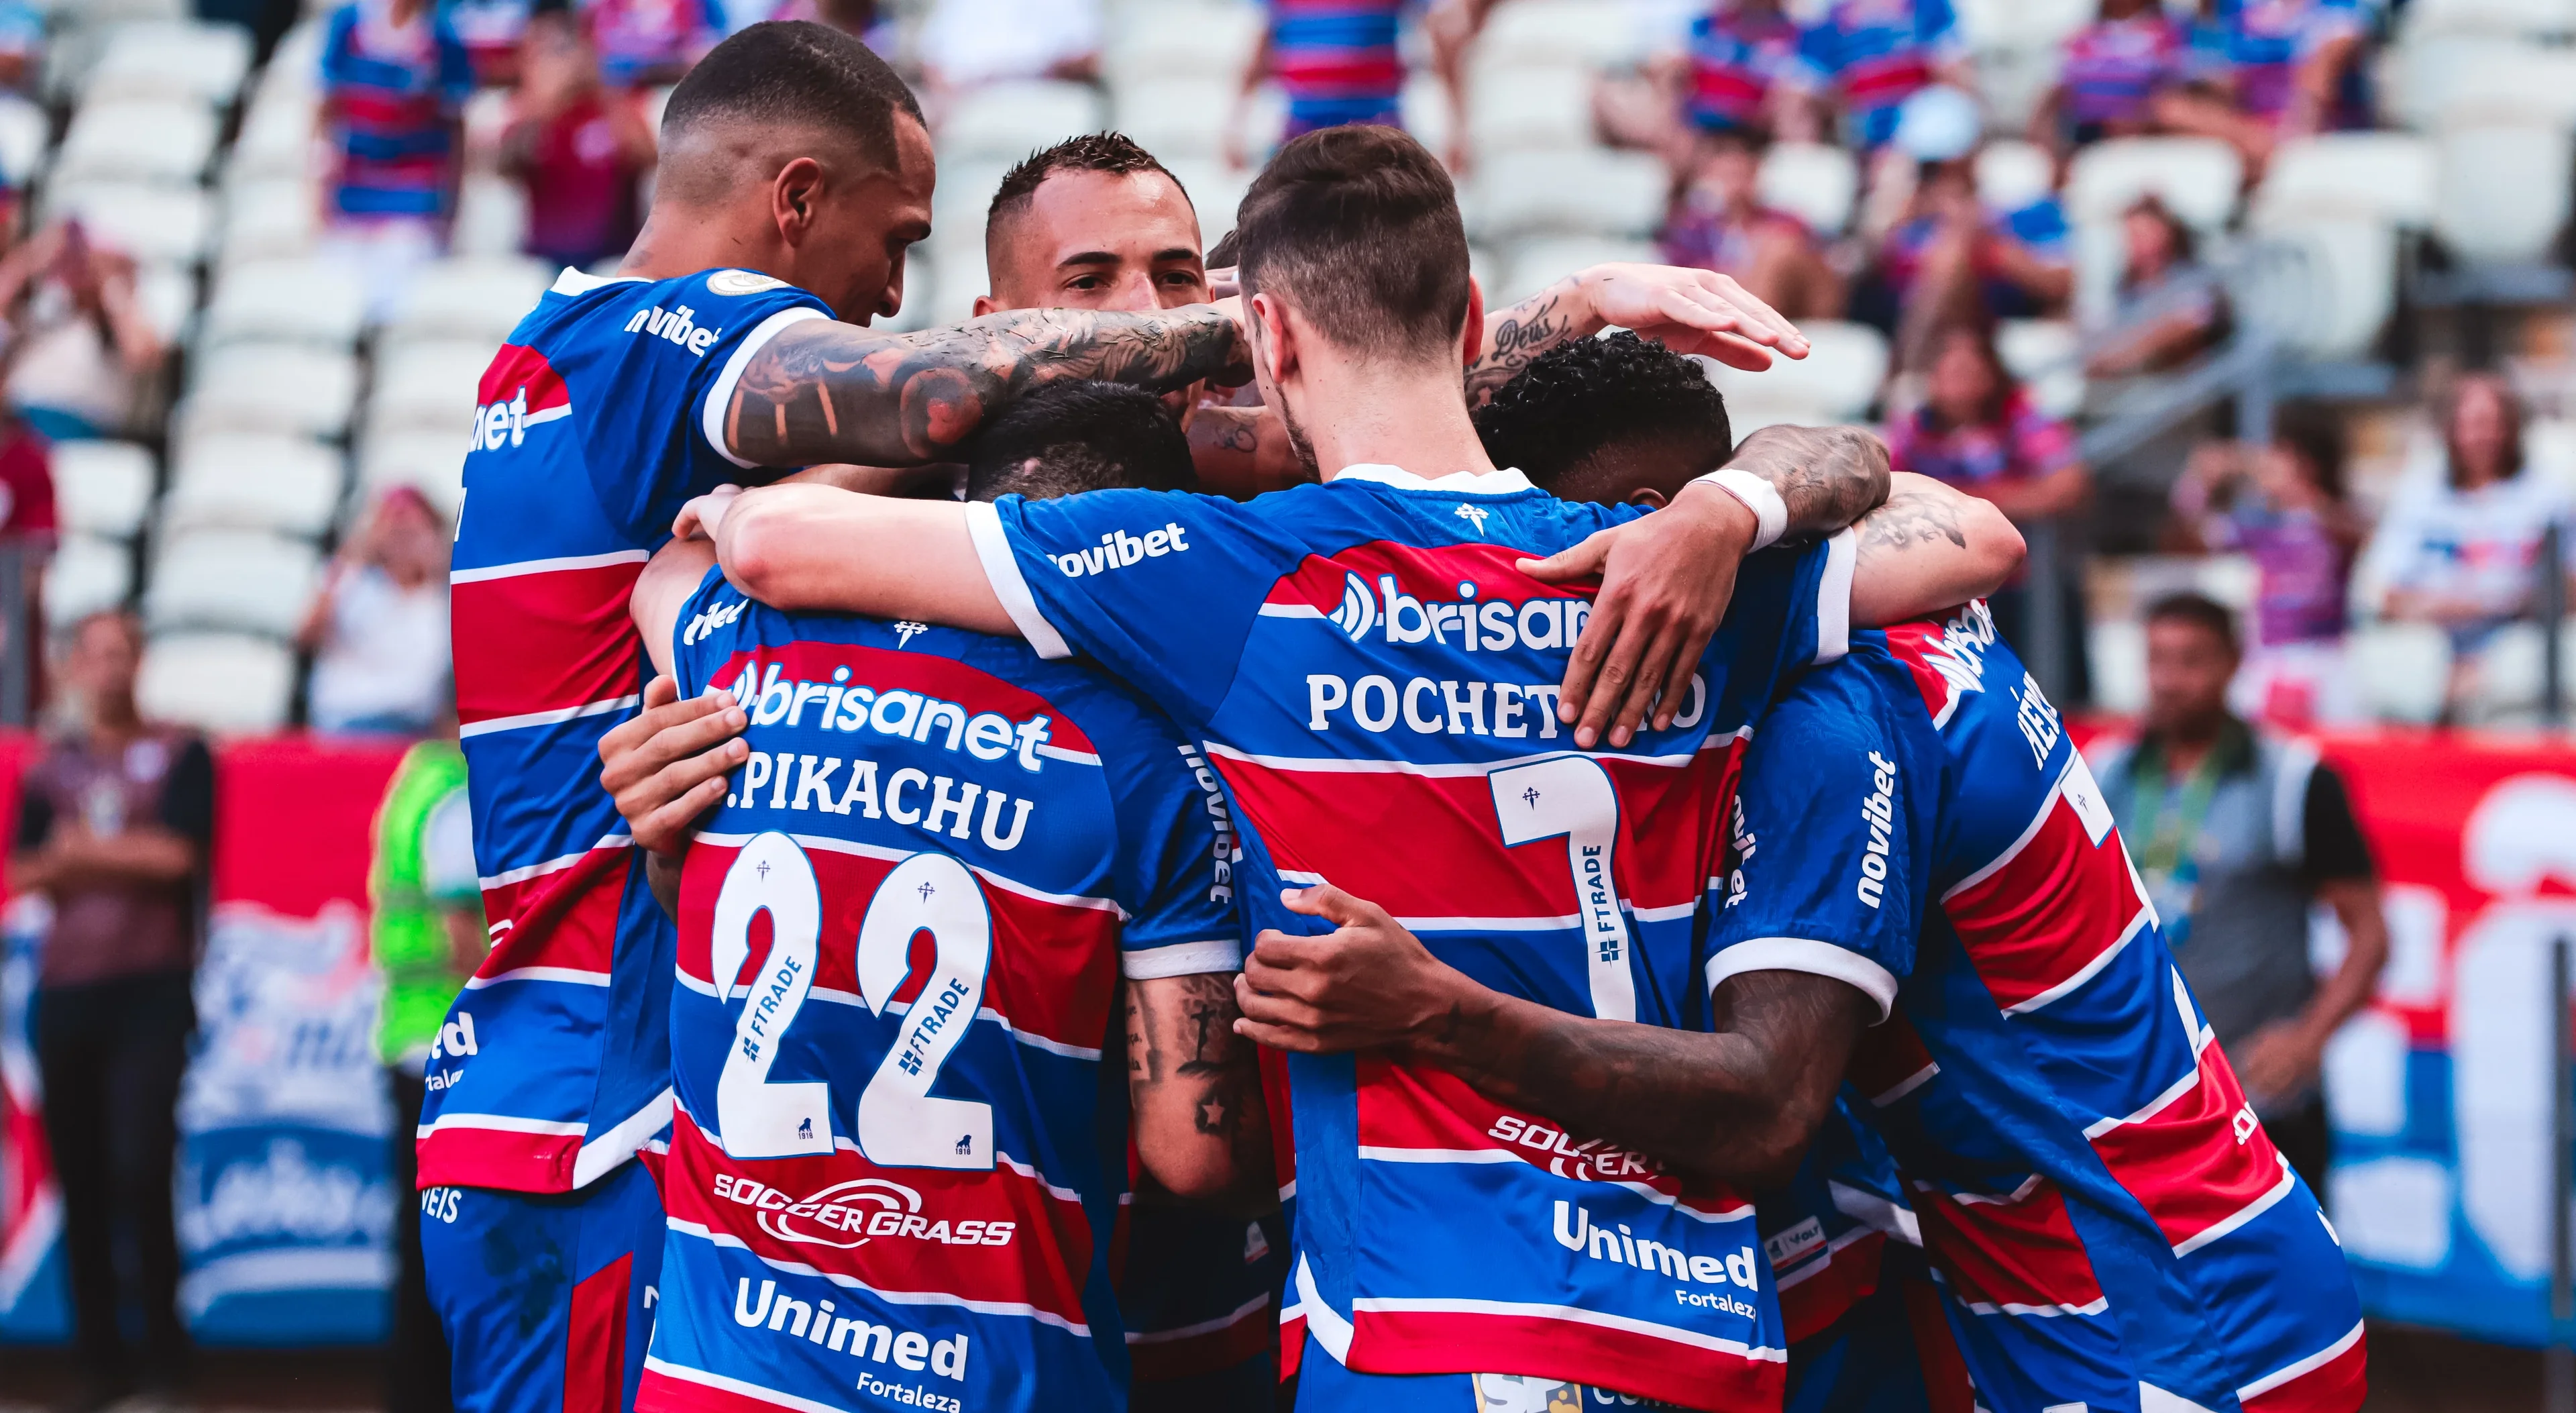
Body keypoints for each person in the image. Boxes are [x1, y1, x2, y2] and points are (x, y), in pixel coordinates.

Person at [648, 124, 2023, 1406]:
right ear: (1474, 322)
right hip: (1700, 1327)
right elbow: (1972, 534)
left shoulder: (1236, 579)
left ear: (1263, 333)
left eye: (1185, 287)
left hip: (1415, 1325)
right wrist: (1734, 505)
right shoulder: (1663, 571)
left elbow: (755, 545)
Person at [422, 23, 1301, 1413]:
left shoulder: (572, 373)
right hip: (612, 1113)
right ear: (793, 201)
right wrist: (1246, 326)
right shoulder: (665, 345)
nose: (892, 294)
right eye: (893, 242)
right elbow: (935, 396)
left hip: (571, 1094)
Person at [621, 379, 1273, 1413]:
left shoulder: (742, 650)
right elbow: (1194, 1153)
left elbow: (667, 572)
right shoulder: (1145, 764)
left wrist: (823, 489)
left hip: (724, 1371)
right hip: (996, 1376)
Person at [2090, 592, 2388, 1192]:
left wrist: (2308, 1039)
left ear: (2233, 663)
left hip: (2263, 1107)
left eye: (2191, 661)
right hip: (2136, 1104)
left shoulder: (2294, 779)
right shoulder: (2102, 772)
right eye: (2157, 661)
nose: (2169, 682)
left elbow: (2371, 936)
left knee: (2286, 1285)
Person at [11, 613, 215, 1413]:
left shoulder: (182, 752)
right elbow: (26, 870)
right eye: (95, 653)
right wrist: (117, 851)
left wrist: (81, 855)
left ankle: (164, 1365)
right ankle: (101, 1370)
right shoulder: (46, 769)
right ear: (72, 666)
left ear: (140, 664)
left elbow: (178, 857)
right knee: (84, 1183)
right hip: (65, 997)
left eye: (123, 652)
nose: (110, 668)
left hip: (151, 992)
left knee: (141, 1170)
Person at [368, 720, 480, 1413]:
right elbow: (463, 939)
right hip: (450, 1043)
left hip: (411, 1038)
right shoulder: (456, 794)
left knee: (420, 1248)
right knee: (444, 1253)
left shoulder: (416, 777)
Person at [1886, 320, 2091, 695]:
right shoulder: (1914, 429)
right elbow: (1890, 492)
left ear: (1992, 374)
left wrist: (1961, 501)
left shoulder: (2020, 417)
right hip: (1939, 582)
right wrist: (2001, 498)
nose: (1961, 383)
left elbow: (2066, 487)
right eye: (1950, 372)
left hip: (2022, 580)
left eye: (1972, 371)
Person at [2359, 372, 2571, 695]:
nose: (2484, 436)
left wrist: (2511, 607)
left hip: (2519, 655)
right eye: (2473, 423)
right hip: (2430, 659)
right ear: (2450, 429)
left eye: (2493, 422)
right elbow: (2385, 595)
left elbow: (2568, 588)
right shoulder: (2418, 495)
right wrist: (2467, 607)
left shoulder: (2548, 496)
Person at [2169, 404, 2364, 724]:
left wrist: (2295, 488)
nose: (2265, 468)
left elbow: (2356, 534)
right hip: (2266, 660)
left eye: (2277, 458)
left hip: (2325, 660)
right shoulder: (2260, 527)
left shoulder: (2334, 520)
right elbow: (2193, 535)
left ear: (2306, 465)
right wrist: (2199, 480)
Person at [317, 0, 476, 321]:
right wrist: (317, 202)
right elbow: (323, 117)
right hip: (351, 201)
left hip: (414, 206)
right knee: (338, 310)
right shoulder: (347, 24)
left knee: (403, 314)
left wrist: (450, 210)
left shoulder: (444, 37)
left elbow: (456, 132)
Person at [501, 19, 657, 272]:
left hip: (613, 255)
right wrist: (545, 102)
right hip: (546, 257)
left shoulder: (615, 109)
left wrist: (604, 89)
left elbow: (649, 158)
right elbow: (506, 166)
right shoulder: (532, 115)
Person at [297, 485, 452, 735]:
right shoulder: (348, 580)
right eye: (395, 532)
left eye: (412, 533)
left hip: (417, 729)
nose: (403, 543)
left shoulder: (442, 598)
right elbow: (305, 637)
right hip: (351, 722)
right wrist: (355, 554)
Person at [0, 219, 168, 443]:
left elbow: (144, 355)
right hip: (17, 424)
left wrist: (112, 283)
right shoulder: (45, 315)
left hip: (80, 434)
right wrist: (33, 258)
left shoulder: (121, 324)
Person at [1660, 129, 1846, 323]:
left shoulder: (1785, 219)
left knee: (1780, 247)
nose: (1737, 186)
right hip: (1723, 304)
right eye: (1728, 176)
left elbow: (1813, 271)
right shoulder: (1693, 229)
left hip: (1796, 305)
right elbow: (1687, 280)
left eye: (1744, 176)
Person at [2154, 0, 2368, 168]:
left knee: (2316, 76)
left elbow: (2326, 70)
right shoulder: (2238, 7)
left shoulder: (2337, 5)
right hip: (2250, 122)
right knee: (2170, 107)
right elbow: (2225, 76)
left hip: (2313, 121)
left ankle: (2274, 152)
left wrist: (2296, 126)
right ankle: (2262, 149)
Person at [1795, 0, 1970, 150]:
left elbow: (1955, 75)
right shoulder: (1830, 18)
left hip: (1922, 137)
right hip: (1857, 140)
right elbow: (1804, 92)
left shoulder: (1928, 7)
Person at [2084, 195, 2225, 378]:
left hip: (2184, 383)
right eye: (2131, 235)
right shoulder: (2122, 286)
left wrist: (2128, 353)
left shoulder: (2187, 276)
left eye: (2143, 234)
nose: (2135, 242)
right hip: (2134, 386)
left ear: (2166, 234)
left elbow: (2190, 325)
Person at [2031, 0, 2190, 154]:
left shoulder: (2169, 33)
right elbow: (2055, 95)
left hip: (2149, 135)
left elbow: (2174, 90)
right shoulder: (2080, 37)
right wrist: (2048, 152)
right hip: (2084, 136)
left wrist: (2138, 119)